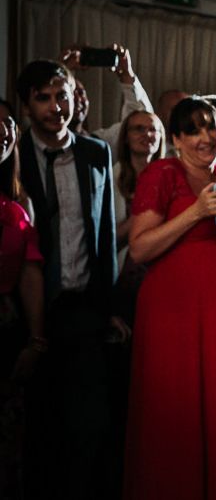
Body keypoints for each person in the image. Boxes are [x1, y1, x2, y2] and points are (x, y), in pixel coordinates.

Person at [123, 96, 216, 500]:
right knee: (179, 404)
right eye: (194, 129)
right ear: (176, 139)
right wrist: (195, 213)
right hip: (178, 314)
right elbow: (139, 249)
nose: (207, 138)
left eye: (213, 128)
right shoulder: (162, 174)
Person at [16, 60, 126, 500]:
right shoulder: (14, 153)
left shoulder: (95, 152)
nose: (55, 107)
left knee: (89, 424)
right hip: (31, 310)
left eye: (61, 96)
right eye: (43, 98)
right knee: (38, 424)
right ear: (27, 106)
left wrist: (112, 307)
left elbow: (106, 235)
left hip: (85, 307)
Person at [0, 99, 44, 500]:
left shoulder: (18, 203)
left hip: (6, 328)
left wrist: (35, 339)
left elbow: (31, 271)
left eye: (8, 124)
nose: (2, 130)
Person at [113, 110, 165, 324]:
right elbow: (109, 239)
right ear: (126, 137)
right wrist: (147, 215)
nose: (147, 134)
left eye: (153, 129)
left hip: (164, 273)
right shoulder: (113, 175)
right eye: (139, 129)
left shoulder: (170, 173)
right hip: (127, 272)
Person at [63, 44, 154, 162]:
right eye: (68, 94)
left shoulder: (100, 143)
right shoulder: (42, 145)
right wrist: (62, 70)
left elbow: (140, 119)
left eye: (81, 93)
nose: (77, 99)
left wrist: (126, 74)